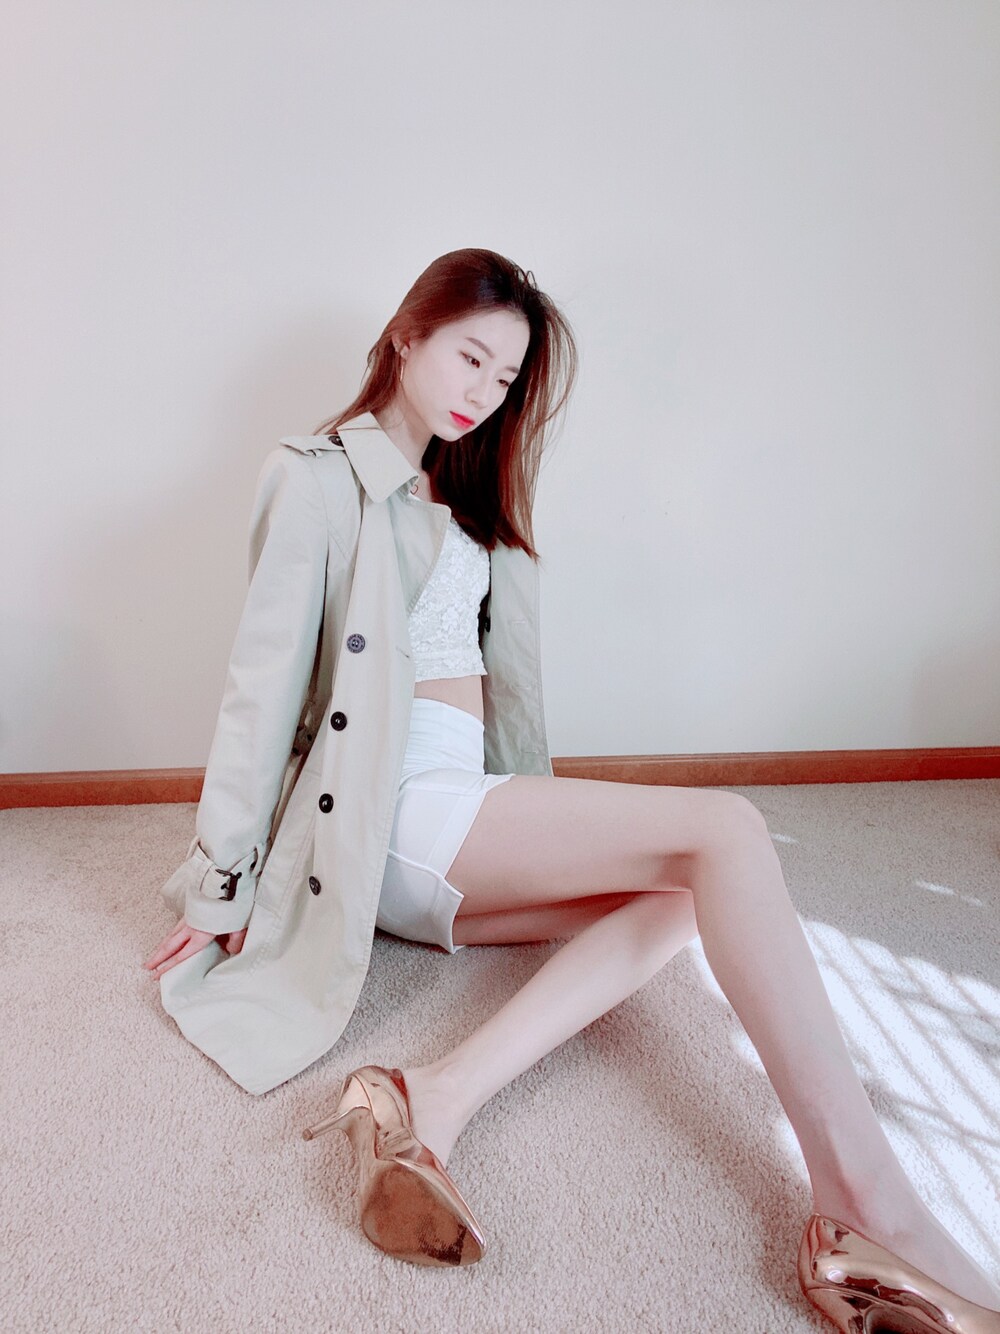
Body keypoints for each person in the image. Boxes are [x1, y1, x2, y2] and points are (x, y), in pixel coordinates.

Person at [144, 248, 1000, 1331]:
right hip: (389, 812)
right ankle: (868, 1204)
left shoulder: (469, 489)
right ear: (407, 334)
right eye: (470, 356)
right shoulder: (315, 478)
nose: (483, 390)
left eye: (504, 377)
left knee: (692, 894)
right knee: (728, 829)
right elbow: (258, 694)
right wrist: (219, 885)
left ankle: (429, 1096)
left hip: (456, 806)